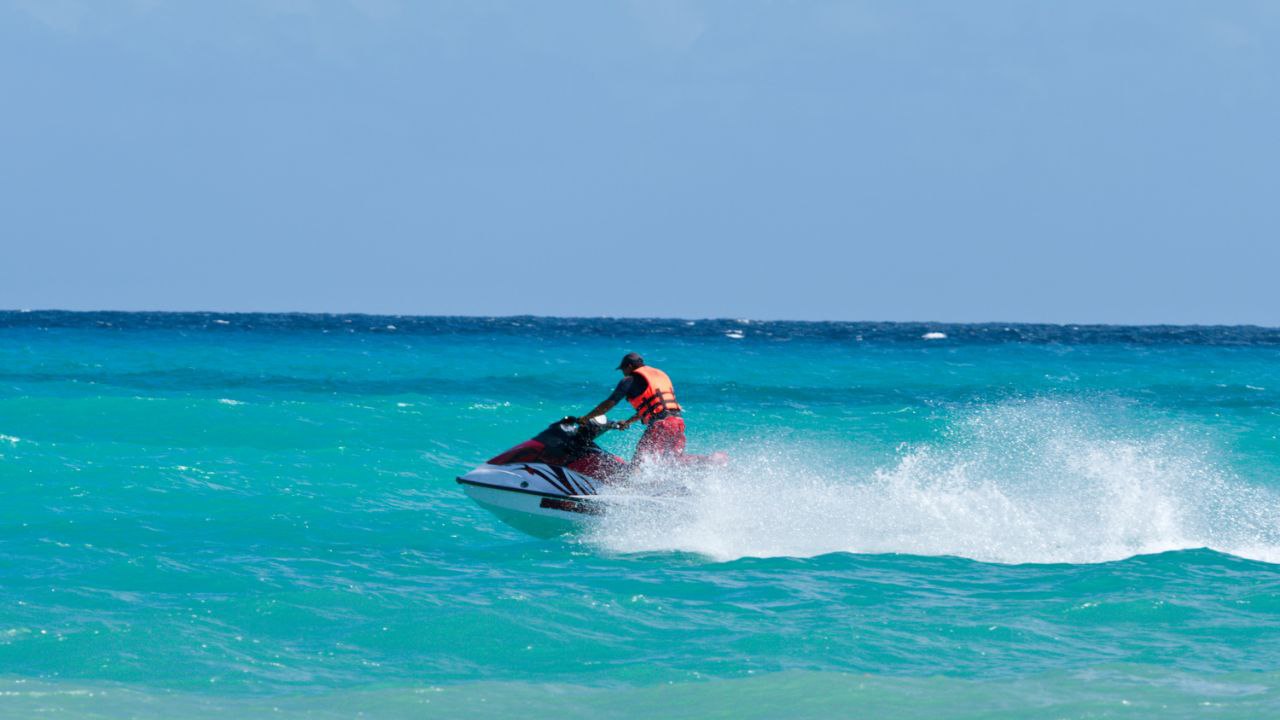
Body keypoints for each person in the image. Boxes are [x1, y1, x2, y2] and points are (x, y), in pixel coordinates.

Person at [577, 352, 685, 464]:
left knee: (640, 462)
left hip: (661, 426)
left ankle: (633, 481)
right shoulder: (660, 375)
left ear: (629, 366)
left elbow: (609, 403)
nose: (623, 374)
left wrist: (586, 418)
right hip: (678, 424)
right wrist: (628, 422)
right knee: (669, 462)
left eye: (623, 370)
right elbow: (653, 408)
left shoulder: (630, 380)